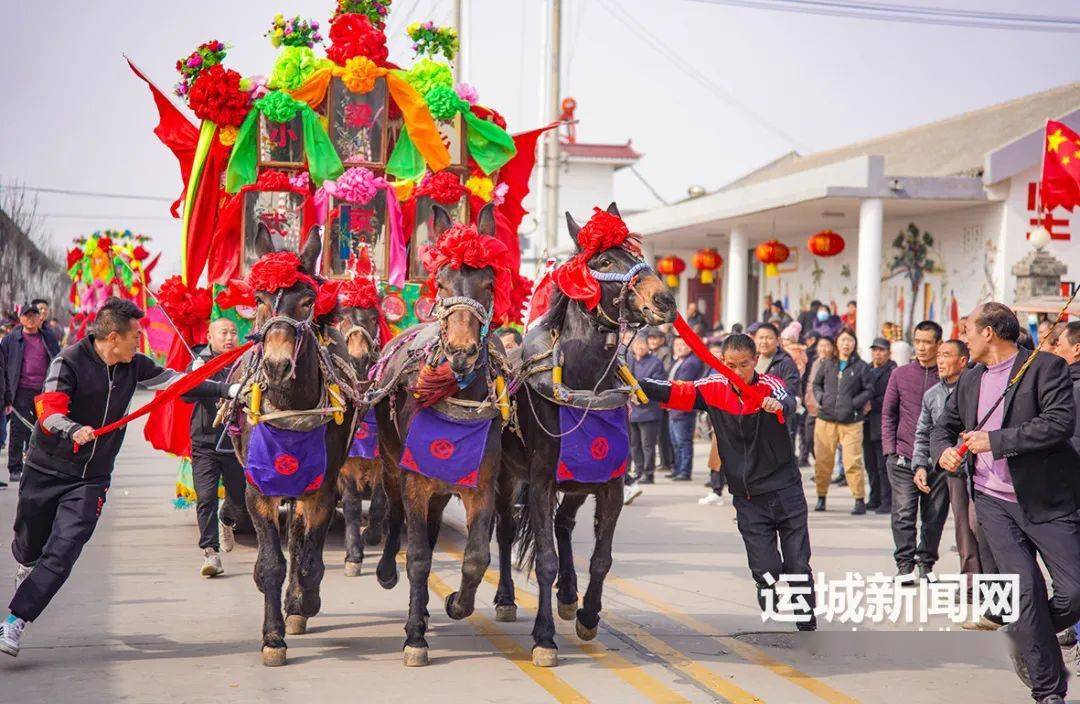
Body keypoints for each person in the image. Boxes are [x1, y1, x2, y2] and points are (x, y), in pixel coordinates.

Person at [0, 298, 237, 658]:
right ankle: (26, 564)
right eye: (135, 337)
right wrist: (72, 429)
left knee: (64, 550)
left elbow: (178, 383)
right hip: (46, 468)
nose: (139, 343)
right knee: (29, 544)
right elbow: (48, 409)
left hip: (91, 478)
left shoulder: (134, 365)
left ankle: (16, 620)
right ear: (113, 338)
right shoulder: (70, 361)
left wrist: (226, 389)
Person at [933, 303, 1080, 704]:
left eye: (968, 329)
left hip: (1047, 499)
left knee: (1073, 591)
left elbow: (1059, 422)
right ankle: (1049, 691)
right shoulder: (970, 379)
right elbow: (943, 426)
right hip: (993, 503)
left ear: (990, 333)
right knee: (1026, 592)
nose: (963, 336)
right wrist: (944, 451)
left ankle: (1031, 638)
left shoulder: (1044, 367)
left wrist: (995, 442)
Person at [638, 333, 816, 630]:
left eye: (744, 364)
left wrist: (776, 405)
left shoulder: (770, 386)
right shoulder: (712, 388)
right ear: (722, 363)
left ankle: (806, 621)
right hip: (748, 497)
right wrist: (637, 384)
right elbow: (675, 391)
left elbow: (788, 400)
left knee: (797, 563)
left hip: (785, 490)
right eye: (730, 364)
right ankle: (766, 587)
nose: (737, 370)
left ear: (755, 360)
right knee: (766, 566)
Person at [911, 339, 984, 591]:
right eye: (939, 355)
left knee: (981, 525)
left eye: (946, 355)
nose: (940, 360)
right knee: (963, 526)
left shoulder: (979, 386)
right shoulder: (932, 395)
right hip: (952, 469)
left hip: (983, 466)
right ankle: (971, 583)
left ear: (963, 361)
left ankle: (994, 581)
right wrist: (920, 465)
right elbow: (924, 432)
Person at [881, 320, 944, 579]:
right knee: (904, 513)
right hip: (903, 457)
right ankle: (904, 564)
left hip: (938, 460)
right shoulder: (900, 374)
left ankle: (925, 562)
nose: (921, 347)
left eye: (927, 342)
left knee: (934, 515)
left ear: (938, 344)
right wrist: (890, 451)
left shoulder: (948, 376)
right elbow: (888, 414)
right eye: (918, 341)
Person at [185, 318, 247, 577]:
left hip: (236, 443)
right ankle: (210, 553)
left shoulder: (246, 361)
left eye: (233, 332)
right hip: (205, 443)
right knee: (206, 497)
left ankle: (227, 520)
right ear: (210, 336)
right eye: (224, 332)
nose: (230, 337)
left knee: (240, 498)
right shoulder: (198, 361)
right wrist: (196, 375)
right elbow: (185, 395)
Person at [0, 302, 61, 486]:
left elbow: (58, 361)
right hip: (20, 391)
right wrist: (6, 395)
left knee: (41, 428)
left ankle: (38, 466)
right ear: (21, 319)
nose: (31, 318)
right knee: (18, 430)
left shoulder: (48, 338)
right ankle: (15, 468)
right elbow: (3, 367)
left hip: (42, 392)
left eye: (34, 315)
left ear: (39, 318)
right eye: (27, 315)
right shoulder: (11, 340)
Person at [812, 327, 871, 514]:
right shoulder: (828, 363)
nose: (847, 344)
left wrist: (853, 404)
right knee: (823, 461)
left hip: (851, 422)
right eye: (843, 340)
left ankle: (859, 499)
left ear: (855, 344)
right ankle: (821, 497)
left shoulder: (861, 366)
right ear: (837, 343)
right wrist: (821, 399)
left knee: (852, 461)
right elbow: (816, 384)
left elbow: (869, 390)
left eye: (850, 340)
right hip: (826, 420)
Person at [624, 337, 665, 505]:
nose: (640, 348)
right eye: (637, 345)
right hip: (632, 411)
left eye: (643, 345)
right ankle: (638, 471)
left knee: (648, 444)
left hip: (649, 410)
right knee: (634, 444)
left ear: (648, 347)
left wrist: (639, 397)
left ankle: (649, 473)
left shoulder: (655, 362)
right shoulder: (629, 360)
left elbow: (658, 383)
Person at [864, 337, 896, 514]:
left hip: (882, 422)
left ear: (889, 353)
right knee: (870, 463)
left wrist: (872, 404)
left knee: (882, 464)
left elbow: (892, 397)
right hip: (866, 422)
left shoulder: (893, 370)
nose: (877, 353)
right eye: (875, 350)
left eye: (881, 350)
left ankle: (887, 500)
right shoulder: (867, 368)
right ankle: (874, 497)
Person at [666, 337, 705, 481]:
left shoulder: (692, 362)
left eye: (683, 344)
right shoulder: (679, 361)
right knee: (675, 442)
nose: (679, 347)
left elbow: (680, 384)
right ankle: (677, 468)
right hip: (673, 406)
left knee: (683, 441)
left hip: (683, 406)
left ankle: (684, 471)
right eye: (677, 344)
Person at [754, 323, 800, 437]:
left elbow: (790, 391)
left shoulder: (786, 362)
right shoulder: (752, 359)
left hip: (776, 420)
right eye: (761, 337)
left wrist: (776, 404)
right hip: (754, 418)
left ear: (778, 340)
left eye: (768, 338)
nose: (764, 342)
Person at [645, 327, 674, 474]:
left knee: (664, 433)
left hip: (664, 392)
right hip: (656, 394)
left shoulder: (664, 352)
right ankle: (665, 461)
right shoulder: (652, 352)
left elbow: (666, 372)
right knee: (660, 433)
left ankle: (667, 461)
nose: (653, 340)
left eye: (656, 338)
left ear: (662, 340)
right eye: (650, 338)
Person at [801, 334, 832, 467]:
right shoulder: (814, 362)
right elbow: (808, 382)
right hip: (811, 408)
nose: (823, 349)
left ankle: (823, 470)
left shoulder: (833, 363)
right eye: (821, 346)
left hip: (826, 409)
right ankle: (821, 466)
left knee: (824, 442)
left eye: (826, 346)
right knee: (809, 439)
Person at [1052, 321, 1080, 453]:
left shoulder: (1074, 388)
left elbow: (1075, 440)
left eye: (1059, 345)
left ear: (1077, 349)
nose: (1055, 351)